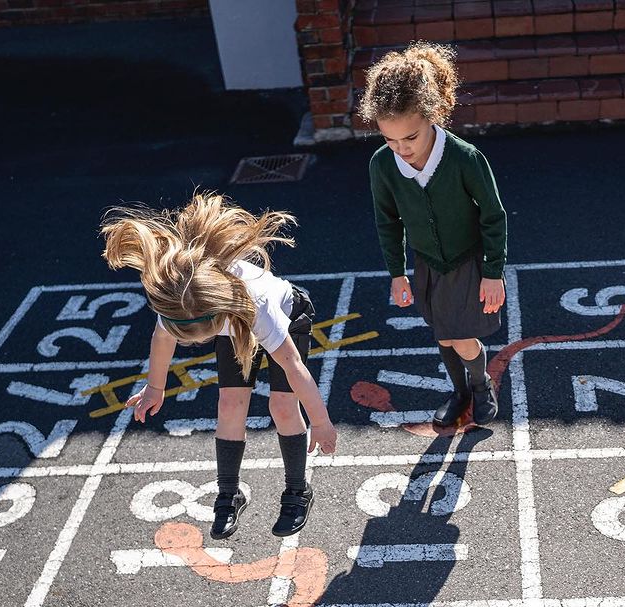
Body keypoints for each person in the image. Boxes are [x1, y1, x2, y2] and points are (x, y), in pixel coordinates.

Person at [101, 193, 337, 540]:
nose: (196, 345)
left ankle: (298, 489)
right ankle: (229, 493)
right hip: (231, 323)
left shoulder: (256, 306)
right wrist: (155, 387)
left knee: (283, 406)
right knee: (229, 405)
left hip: (286, 317)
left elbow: (294, 367)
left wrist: (321, 422)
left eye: (198, 339)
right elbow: (163, 339)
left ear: (216, 315)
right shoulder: (181, 297)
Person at [360, 41, 508, 427]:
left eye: (410, 137)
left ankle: (479, 385)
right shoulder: (383, 166)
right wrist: (396, 272)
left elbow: (493, 215)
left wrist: (493, 272)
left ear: (432, 116)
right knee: (443, 337)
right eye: (389, 139)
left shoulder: (465, 158)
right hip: (428, 263)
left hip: (465, 260)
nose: (401, 149)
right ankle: (459, 391)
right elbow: (387, 221)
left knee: (459, 337)